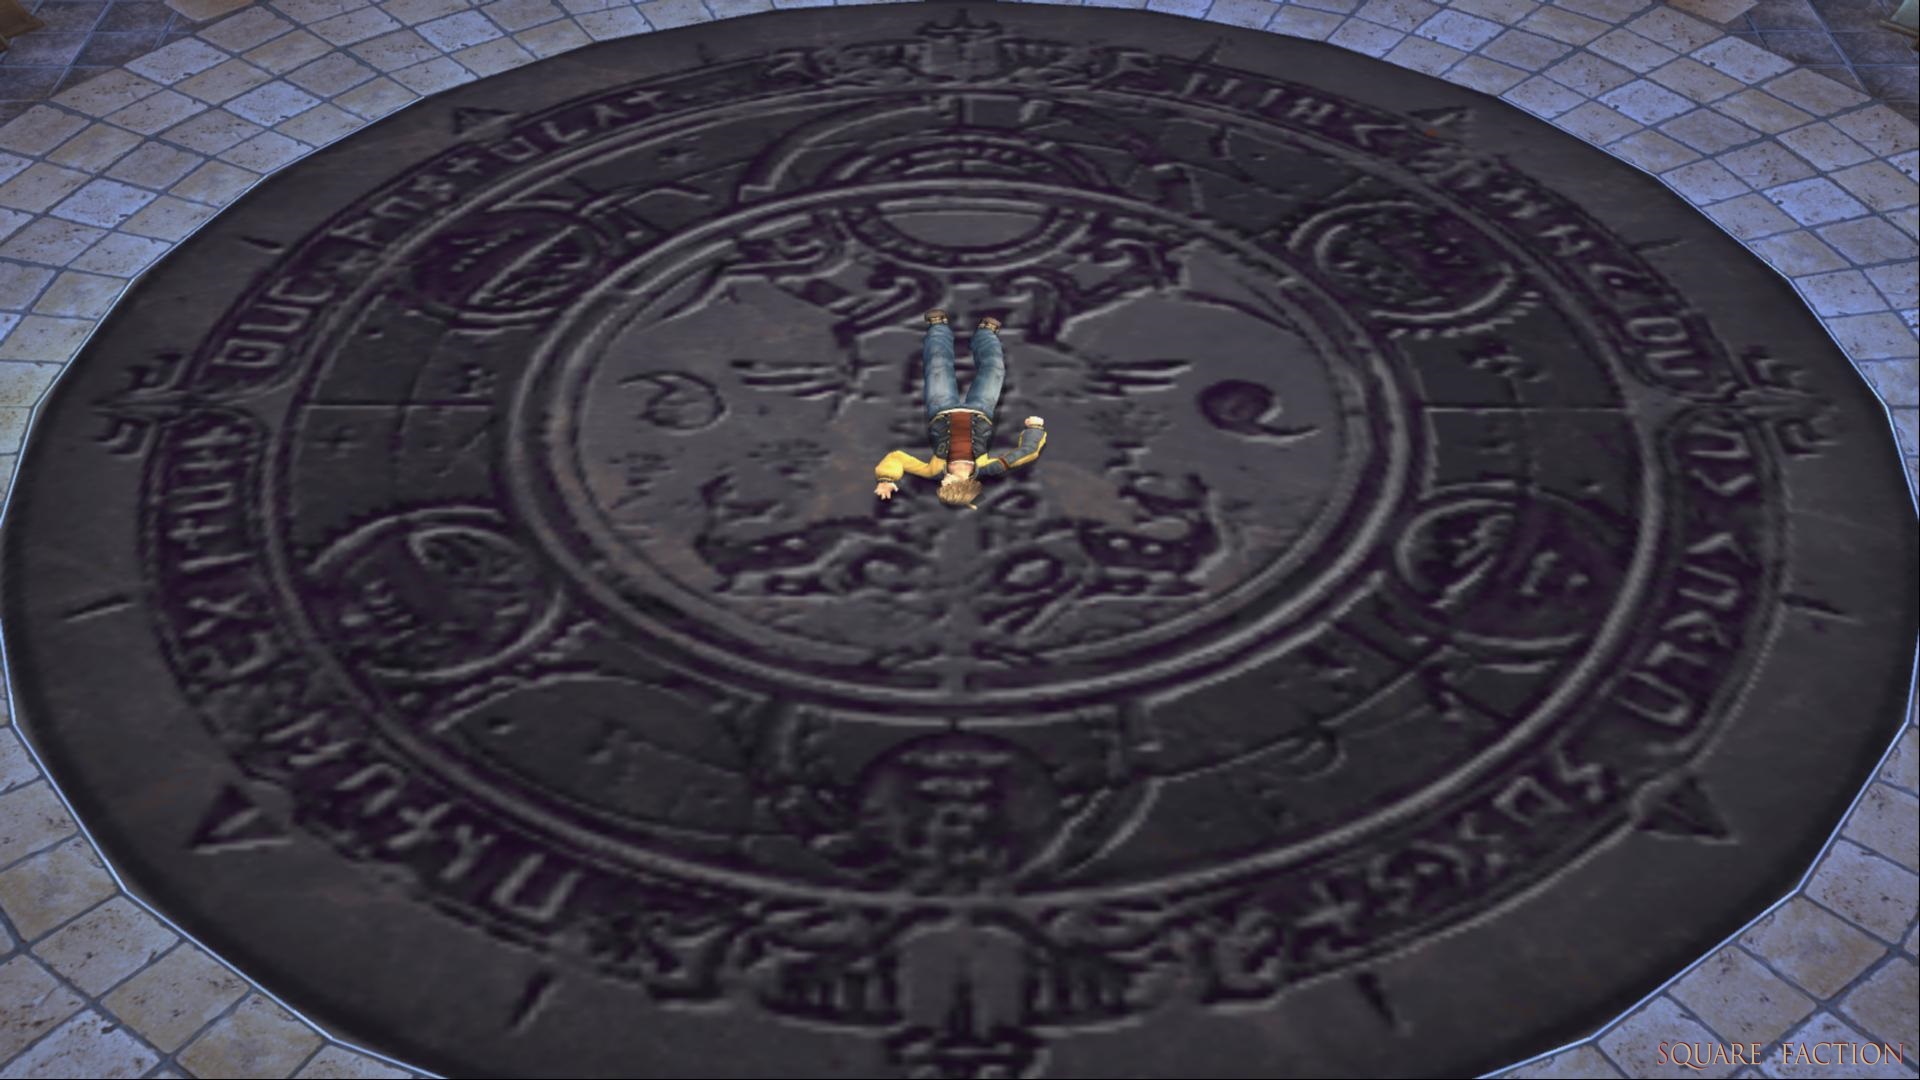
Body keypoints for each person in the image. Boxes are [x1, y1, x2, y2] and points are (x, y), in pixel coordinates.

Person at [873, 310, 1047, 509]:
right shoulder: (989, 468)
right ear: (962, 484)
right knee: (994, 369)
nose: (942, 482)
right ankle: (986, 333)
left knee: (938, 365)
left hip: (940, 408)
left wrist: (886, 478)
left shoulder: (933, 471)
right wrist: (1035, 429)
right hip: (982, 409)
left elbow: (897, 457)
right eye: (946, 486)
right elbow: (1027, 452)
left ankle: (938, 326)